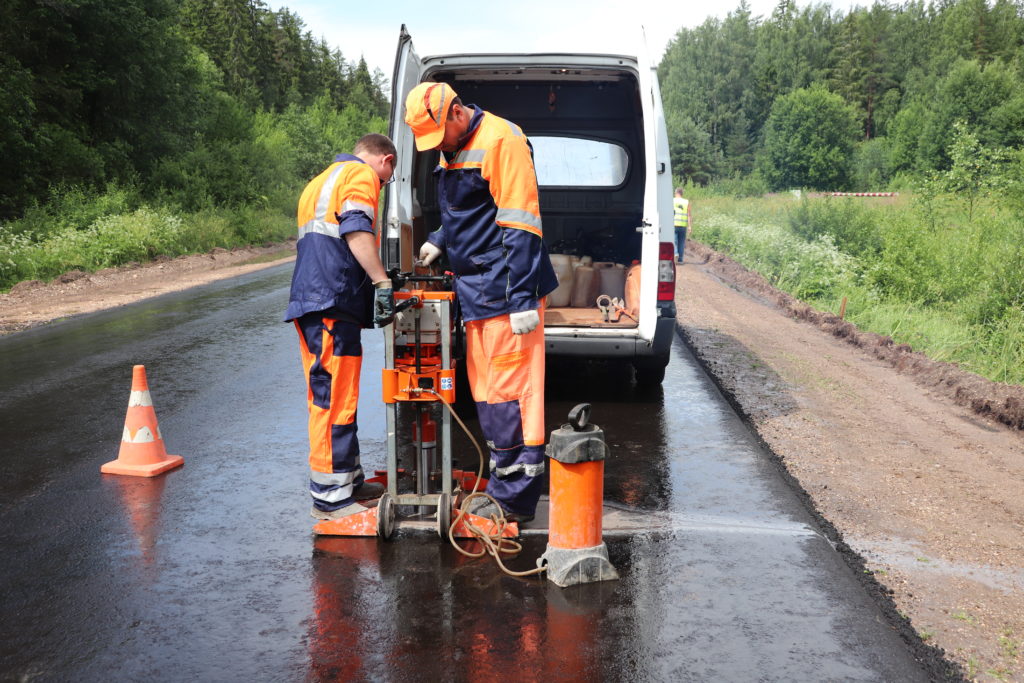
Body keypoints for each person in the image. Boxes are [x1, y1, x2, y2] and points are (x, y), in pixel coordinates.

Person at [404, 82, 558, 523]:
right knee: (489, 395)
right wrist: (439, 239)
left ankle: (515, 500)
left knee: (514, 395)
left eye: (439, 137)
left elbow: (521, 223)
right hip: (477, 292)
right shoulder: (452, 145)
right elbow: (470, 212)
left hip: (507, 292)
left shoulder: (502, 140)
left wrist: (522, 297)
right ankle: (502, 486)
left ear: (456, 113)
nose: (438, 147)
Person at [284, 133, 397, 521]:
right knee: (332, 401)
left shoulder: (321, 180)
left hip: (319, 302)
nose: (382, 185)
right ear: (385, 161)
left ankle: (348, 481)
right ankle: (331, 499)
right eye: (386, 180)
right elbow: (355, 230)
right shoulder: (360, 174)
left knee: (339, 396)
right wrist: (382, 281)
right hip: (330, 303)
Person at [673, 187, 691, 264]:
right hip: (683, 225)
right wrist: (690, 226)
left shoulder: (672, 200)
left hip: (674, 224)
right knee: (681, 242)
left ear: (676, 193)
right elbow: (689, 215)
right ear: (682, 193)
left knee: (674, 240)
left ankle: (675, 253)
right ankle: (680, 260)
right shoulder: (686, 202)